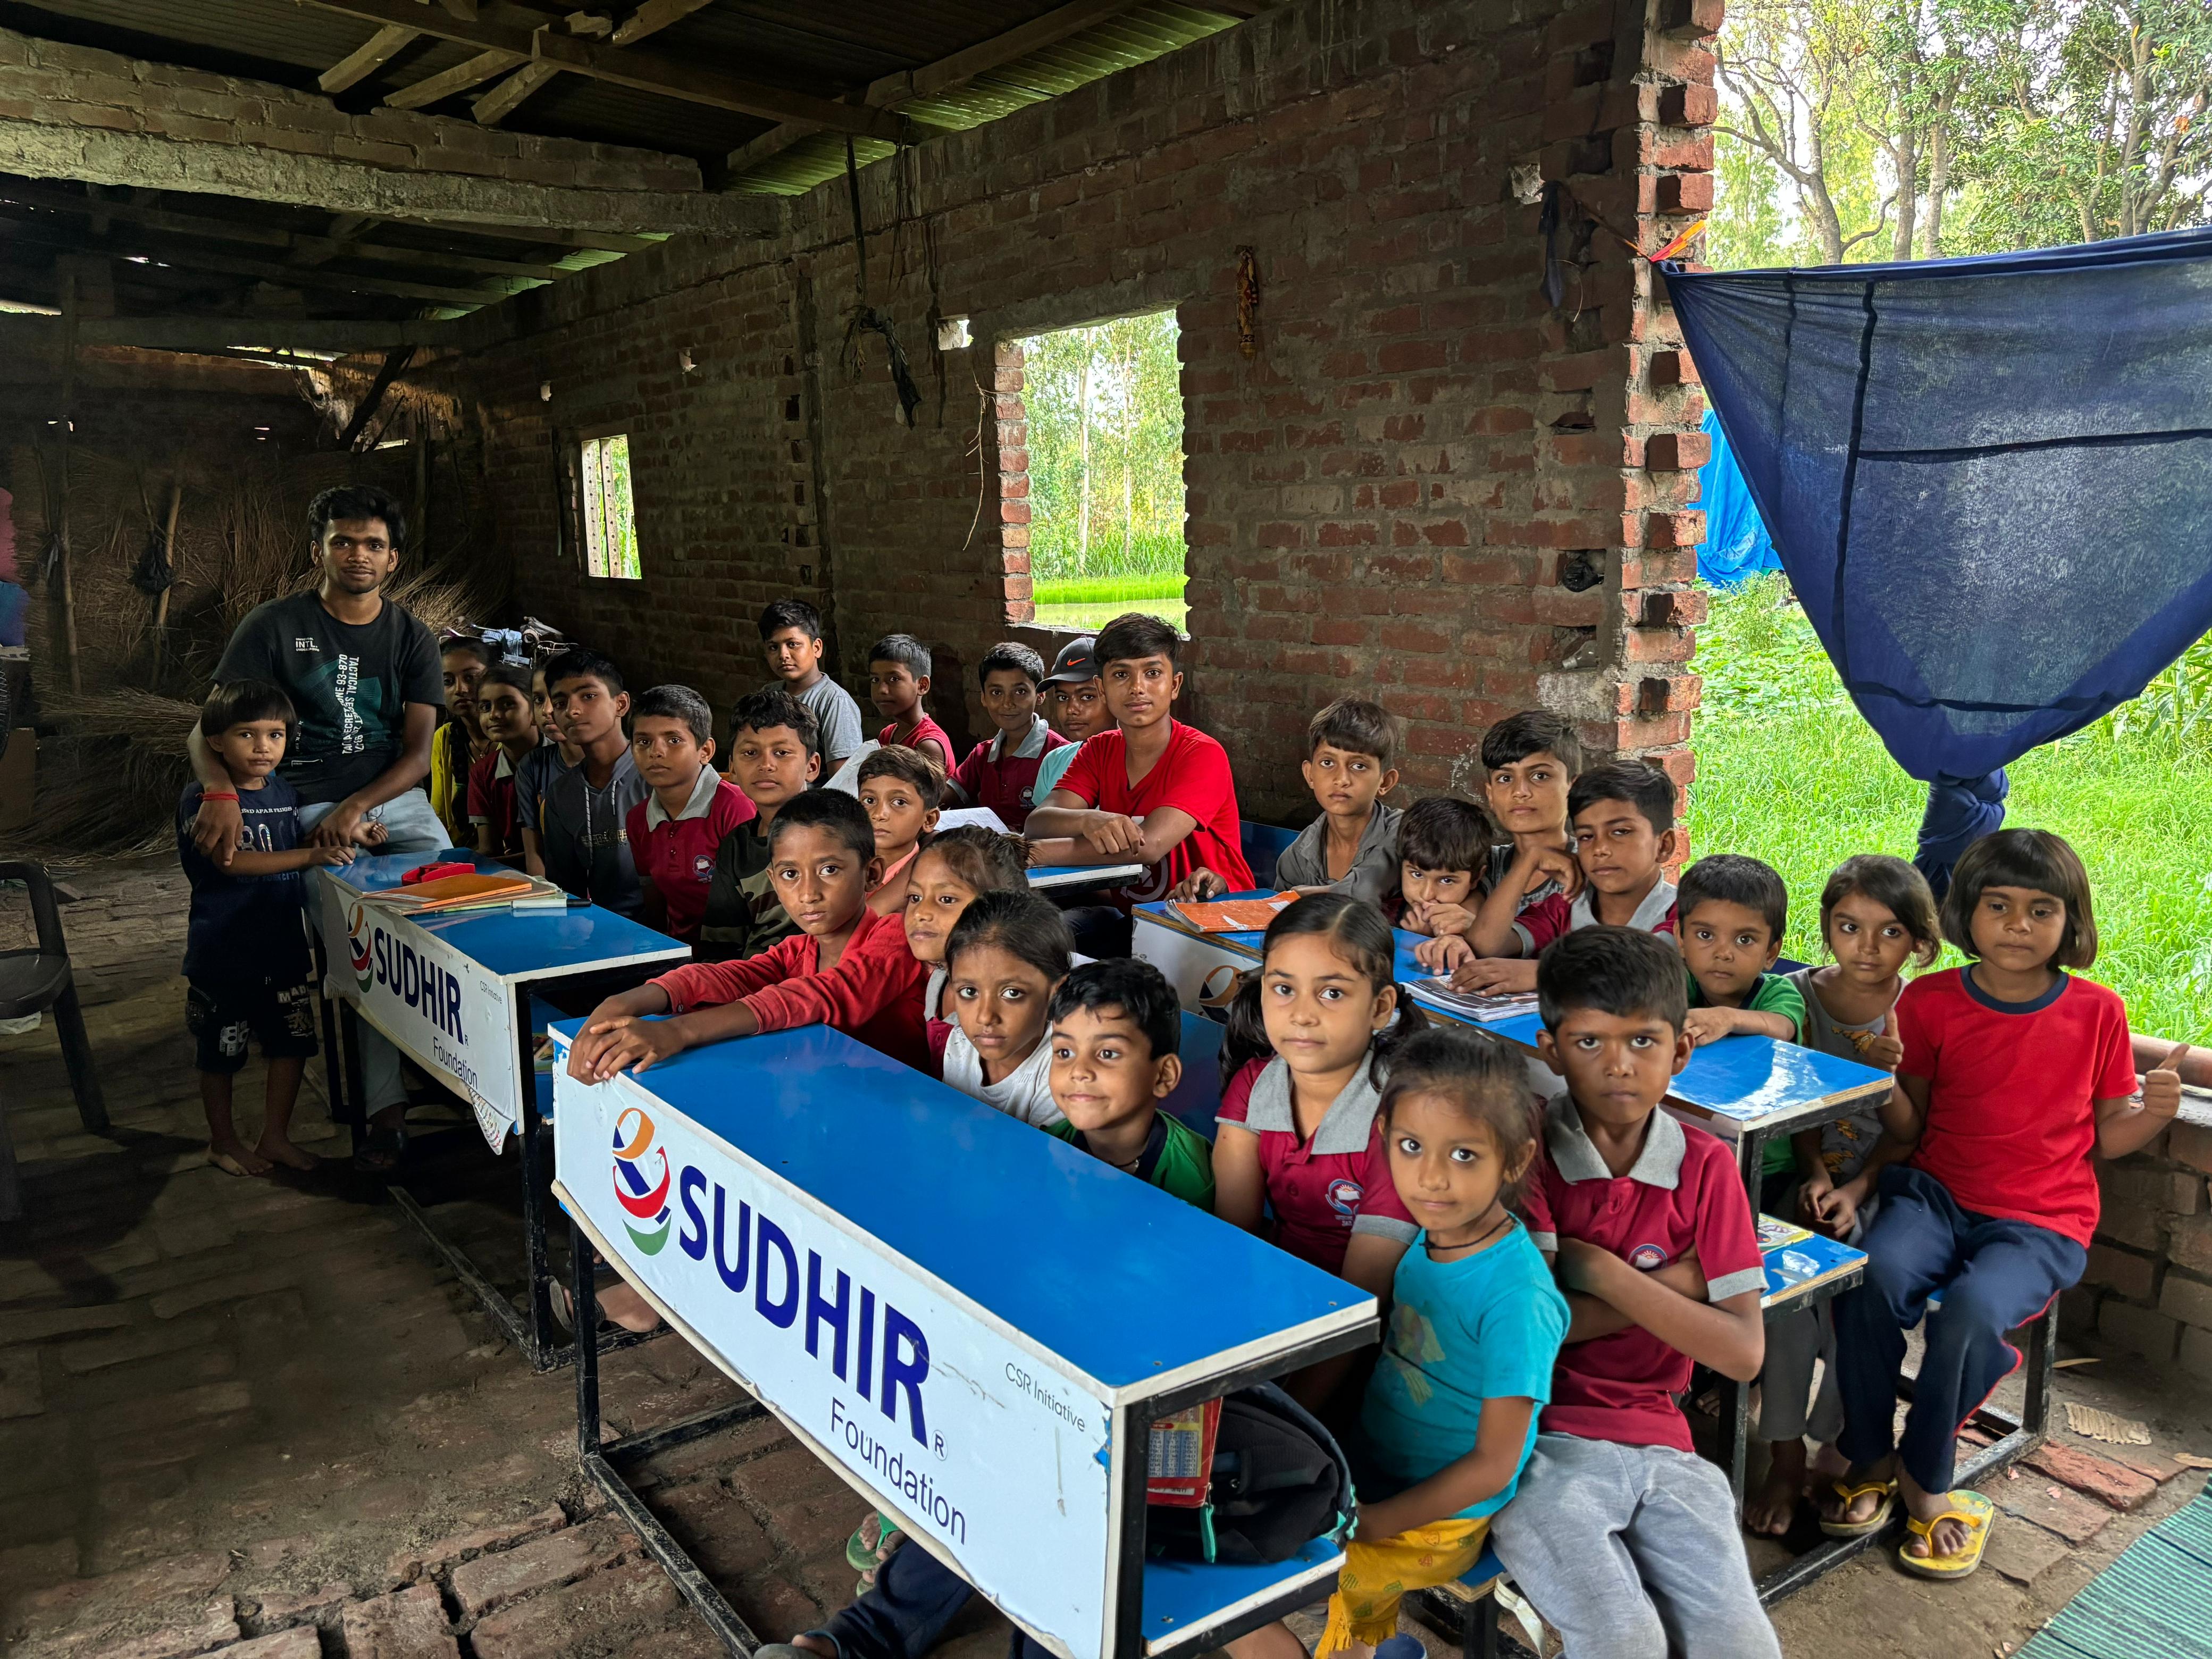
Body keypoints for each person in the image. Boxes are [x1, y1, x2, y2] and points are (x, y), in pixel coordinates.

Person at [760, 958, 1206, 1659]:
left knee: (1058, 1515)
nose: (1079, 1073)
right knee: (979, 1462)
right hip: (1048, 1373)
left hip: (1143, 1400)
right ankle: (862, 1639)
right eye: (1065, 1053)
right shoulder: (1047, 1150)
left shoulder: (1189, 1180)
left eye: (1108, 1054)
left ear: (1164, 1077)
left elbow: (1187, 1313)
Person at [1821, 831, 2184, 1579]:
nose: (2018, 925)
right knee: (1871, 1278)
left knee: (1970, 1315)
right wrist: (1880, 1080)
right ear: (1966, 914)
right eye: (1999, 906)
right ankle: (1868, 1451)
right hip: (1933, 1194)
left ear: (2070, 921)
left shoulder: (2098, 1012)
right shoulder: (1929, 1003)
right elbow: (1912, 1127)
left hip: (2041, 1219)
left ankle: (1926, 1476)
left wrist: (2156, 1112)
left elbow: (2110, 1135)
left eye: (2040, 909)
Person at [1491, 926, 1778, 1659]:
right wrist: (1681, 1285)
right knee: (1623, 1642)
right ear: (1548, 1050)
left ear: (1682, 1050)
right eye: (1588, 1043)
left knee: (1743, 1650)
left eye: (1644, 1043)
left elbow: (1743, 1353)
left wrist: (1604, 1272)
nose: (1618, 1066)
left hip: (1663, 1442)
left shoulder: (1708, 1167)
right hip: (1534, 1442)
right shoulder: (1523, 1153)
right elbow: (1534, 1334)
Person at [188, 484, 445, 1174]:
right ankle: (384, 1108)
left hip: (390, 801)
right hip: (298, 808)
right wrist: (220, 791)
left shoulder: (411, 636)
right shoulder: (273, 627)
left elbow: (418, 754)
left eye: (373, 545)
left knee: (453, 911)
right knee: (363, 945)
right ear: (318, 550)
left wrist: (358, 808)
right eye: (343, 542)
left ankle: (458, 1068)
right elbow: (206, 726)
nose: (358, 555)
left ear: (393, 559)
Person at [1304, 1026, 1566, 1659]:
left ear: (1516, 1160)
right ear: (1385, 1136)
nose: (1429, 1179)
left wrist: (1382, 1522)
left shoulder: (1515, 1296)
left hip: (1441, 1519)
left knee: (1343, 1578)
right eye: (1411, 1146)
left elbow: (1493, 1464)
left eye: (1464, 1155)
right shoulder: (1431, 1239)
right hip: (1376, 1468)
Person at [1742, 854, 1938, 1538]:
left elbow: (1907, 1139)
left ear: (1917, 941)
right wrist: (1818, 1177)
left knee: (1850, 1296)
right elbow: (1787, 1110)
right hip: (1804, 1176)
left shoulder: (1915, 1011)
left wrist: (1854, 1182)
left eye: (1888, 933)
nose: (1865, 946)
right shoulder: (1797, 996)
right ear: (1825, 927)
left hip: (1880, 1186)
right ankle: (1784, 1453)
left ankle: (1838, 1442)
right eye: (1848, 926)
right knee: (1790, 1295)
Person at [1216, 894, 1427, 1410]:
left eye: (1331, 993)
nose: (1302, 1015)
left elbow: (1366, 1303)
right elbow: (1235, 1244)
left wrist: (1288, 1420)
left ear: (1380, 1008)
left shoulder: (1398, 1121)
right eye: (1283, 989)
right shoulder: (1254, 1086)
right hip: (1288, 1301)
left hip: (1394, 1338)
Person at [567, 791, 929, 1077]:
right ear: (773, 880)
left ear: (872, 874)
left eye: (830, 869)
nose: (808, 893)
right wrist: (623, 1003)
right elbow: (730, 976)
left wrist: (676, 1032)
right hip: (829, 1097)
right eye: (790, 875)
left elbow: (823, 995)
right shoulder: (798, 950)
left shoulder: (897, 936)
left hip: (906, 1110)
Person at [179, 681, 371, 1177]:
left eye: (276, 735)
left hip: (283, 947)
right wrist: (312, 856)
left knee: (292, 1044)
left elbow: (291, 838)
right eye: (247, 734)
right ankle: (222, 1142)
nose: (264, 747)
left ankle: (275, 1137)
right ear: (216, 741)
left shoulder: (283, 791)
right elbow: (231, 862)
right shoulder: (204, 800)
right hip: (225, 952)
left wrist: (346, 832)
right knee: (222, 1052)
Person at [1026, 613, 1253, 951]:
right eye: (1121, 675)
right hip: (1139, 919)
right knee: (1033, 940)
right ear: (1102, 688)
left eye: (1152, 673)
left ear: (1174, 685)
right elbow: (1039, 822)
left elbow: (1147, 847)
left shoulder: (1202, 754)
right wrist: (1090, 819)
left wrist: (1036, 855)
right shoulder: (1100, 749)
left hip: (1215, 923)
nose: (1137, 688)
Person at [1444, 759, 1681, 994]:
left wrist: (1544, 973)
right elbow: (1486, 945)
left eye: (1620, 832)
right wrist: (1530, 860)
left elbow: (1641, 972)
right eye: (1587, 836)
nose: (1601, 849)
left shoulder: (1683, 912)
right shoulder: (1567, 907)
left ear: (1664, 845)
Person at [1181, 699, 1401, 906]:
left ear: (1385, 781)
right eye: (1327, 762)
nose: (1341, 779)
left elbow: (1369, 888)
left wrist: (1297, 897)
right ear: (1310, 774)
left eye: (1359, 766)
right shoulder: (1297, 857)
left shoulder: (1404, 834)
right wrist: (1224, 895)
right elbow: (1276, 919)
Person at [624, 684, 753, 945]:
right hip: (681, 950)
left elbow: (755, 902)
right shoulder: (639, 819)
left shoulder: (733, 807)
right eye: (643, 742)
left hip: (740, 950)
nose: (656, 752)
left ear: (705, 751)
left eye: (674, 740)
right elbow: (654, 897)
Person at [700, 690, 822, 962]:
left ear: (812, 766)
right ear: (732, 767)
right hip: (751, 982)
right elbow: (719, 949)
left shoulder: (836, 834)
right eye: (750, 752)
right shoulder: (737, 848)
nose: (766, 765)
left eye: (782, 753)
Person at [939, 890, 1073, 1125]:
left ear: (1056, 992)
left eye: (1012, 993)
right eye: (969, 992)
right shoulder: (959, 1045)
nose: (985, 1017)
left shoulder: (1064, 1078)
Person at [531, 648, 647, 917]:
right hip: (603, 930)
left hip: (671, 935)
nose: (572, 711)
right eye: (560, 703)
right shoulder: (561, 795)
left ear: (621, 704)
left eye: (589, 696)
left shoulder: (654, 776)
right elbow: (567, 890)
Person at [903, 826, 1034, 1061]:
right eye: (915, 897)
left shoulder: (1005, 1009)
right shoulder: (939, 979)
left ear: (996, 909)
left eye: (946, 900)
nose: (920, 913)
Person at [1676, 854, 1804, 1050]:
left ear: (1770, 952)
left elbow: (1783, 1027)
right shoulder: (1675, 981)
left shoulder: (1777, 993)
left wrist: (1726, 1018)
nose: (1723, 953)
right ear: (1681, 939)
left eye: (1744, 940)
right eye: (1705, 935)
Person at [945, 642, 1067, 830]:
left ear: (1040, 695)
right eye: (996, 693)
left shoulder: (1060, 754)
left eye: (1020, 692)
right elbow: (947, 795)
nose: (1007, 703)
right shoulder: (983, 754)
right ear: (983, 698)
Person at [1474, 709, 1580, 904]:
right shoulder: (1480, 868)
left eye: (1540, 776)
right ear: (1490, 795)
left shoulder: (1594, 869)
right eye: (1505, 778)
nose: (1520, 792)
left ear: (1573, 788)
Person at [759, 598, 864, 772]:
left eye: (793, 644)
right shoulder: (769, 694)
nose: (783, 655)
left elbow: (843, 781)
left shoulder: (834, 702)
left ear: (817, 648)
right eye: (773, 647)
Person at [1393, 796, 1490, 951]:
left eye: (1446, 880)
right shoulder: (1389, 904)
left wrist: (1420, 941)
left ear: (1476, 878)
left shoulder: (1482, 924)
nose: (1426, 895)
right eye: (1417, 875)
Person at [855, 747, 942, 917]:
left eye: (899, 802)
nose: (879, 814)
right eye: (869, 800)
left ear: (929, 820)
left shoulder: (922, 893)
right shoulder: (846, 864)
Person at [514, 657, 579, 877]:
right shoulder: (532, 767)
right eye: (539, 699)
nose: (548, 710)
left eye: (558, 699)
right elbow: (535, 853)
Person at [466, 664, 538, 862]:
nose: (494, 715)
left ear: (535, 711)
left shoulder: (561, 761)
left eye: (507, 704)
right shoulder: (482, 773)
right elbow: (490, 849)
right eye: (485, 707)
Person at [429, 634, 491, 847]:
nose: (460, 689)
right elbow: (439, 816)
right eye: (448, 682)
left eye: (471, 678)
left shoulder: (509, 739)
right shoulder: (444, 737)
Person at [1029, 636, 1108, 803]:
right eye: (1063, 698)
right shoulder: (1054, 761)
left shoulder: (1137, 763)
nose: (1071, 709)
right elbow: (1041, 825)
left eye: (1087, 697)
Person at [867, 633, 953, 774]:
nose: (882, 690)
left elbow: (925, 796)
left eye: (894, 679)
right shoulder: (888, 734)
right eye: (875, 680)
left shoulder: (928, 745)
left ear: (922, 686)